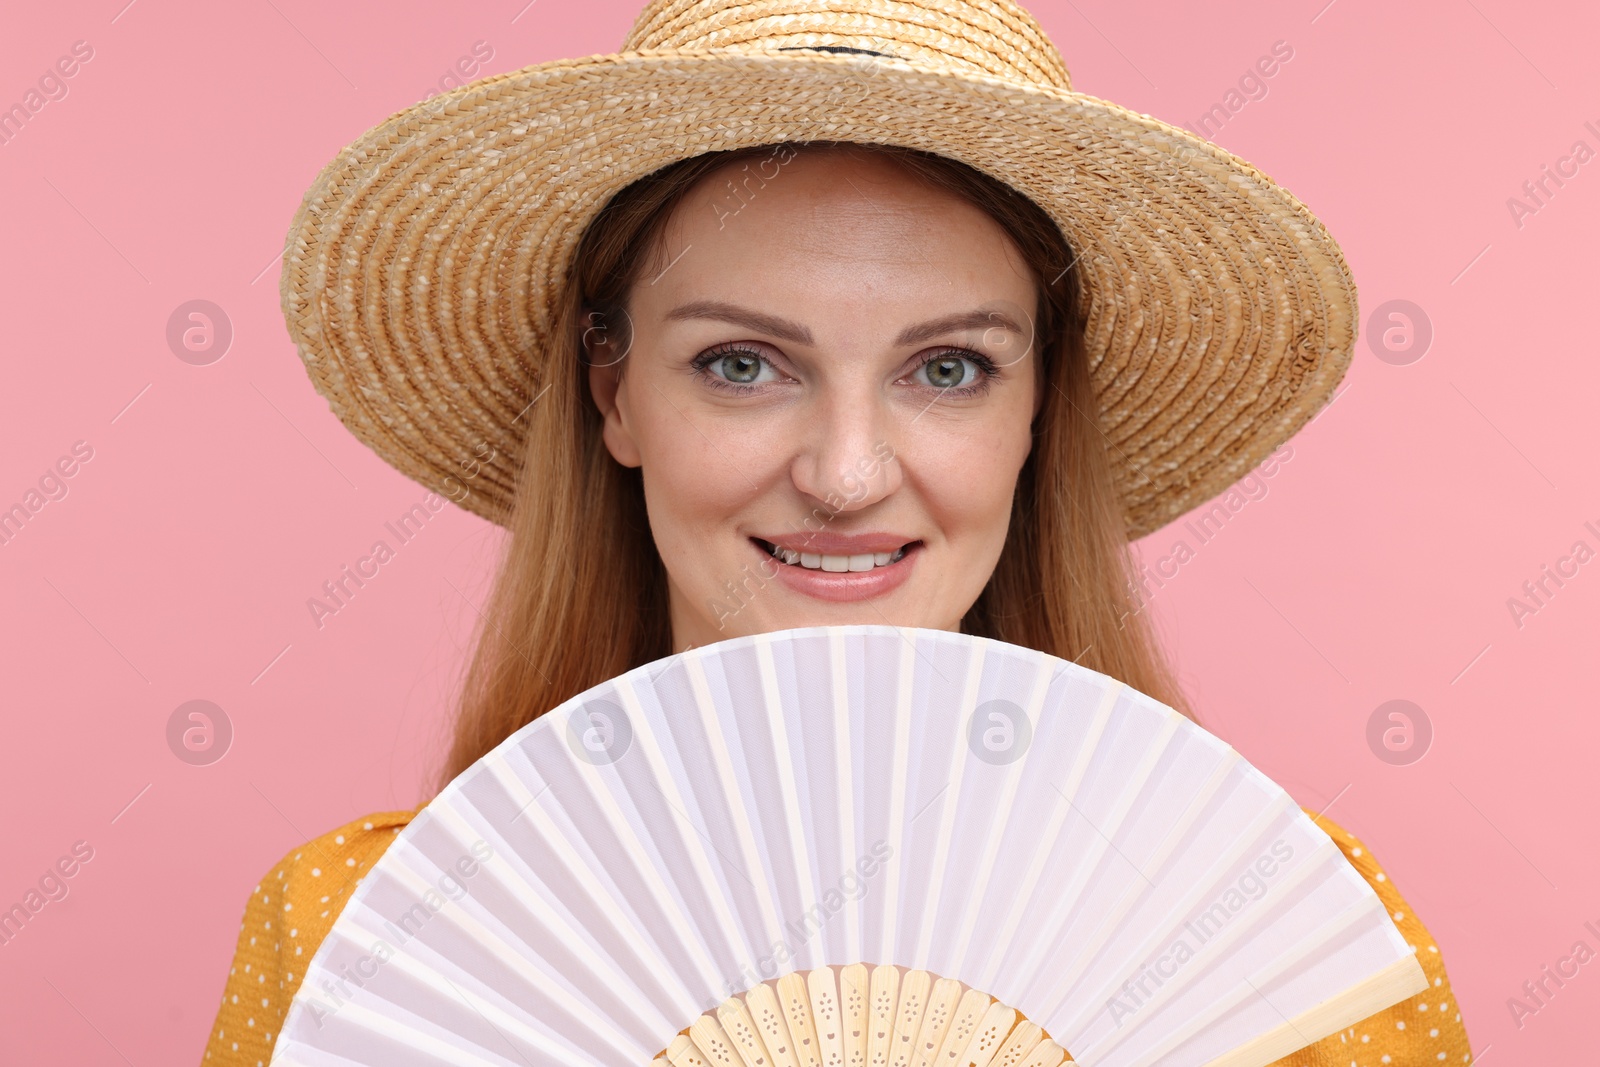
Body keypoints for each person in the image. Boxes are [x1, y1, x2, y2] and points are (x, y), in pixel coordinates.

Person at [202, 0, 1473, 1063]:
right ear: (613, 393)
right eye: (743, 362)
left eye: (951, 369)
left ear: (1041, 410)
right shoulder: (359, 932)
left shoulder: (1287, 942)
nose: (847, 473)